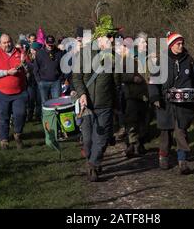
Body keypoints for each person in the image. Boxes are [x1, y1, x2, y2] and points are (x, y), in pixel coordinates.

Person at [72, 15, 121, 182]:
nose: (111, 40)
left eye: (113, 37)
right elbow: (77, 78)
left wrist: (116, 105)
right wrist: (82, 94)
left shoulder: (114, 57)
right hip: (87, 105)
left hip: (105, 104)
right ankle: (92, 160)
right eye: (108, 36)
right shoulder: (85, 54)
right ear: (99, 37)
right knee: (87, 140)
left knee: (101, 139)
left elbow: (116, 84)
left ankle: (93, 164)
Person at [148, 31, 194, 175]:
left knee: (181, 133)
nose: (181, 45)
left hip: (184, 105)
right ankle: (163, 156)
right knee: (165, 134)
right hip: (165, 104)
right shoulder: (161, 62)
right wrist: (155, 98)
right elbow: (153, 82)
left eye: (182, 43)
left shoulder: (190, 61)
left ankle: (182, 162)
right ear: (171, 45)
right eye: (178, 43)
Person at [0, 33, 28, 150]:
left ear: (12, 41)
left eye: (9, 42)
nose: (7, 44)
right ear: (0, 44)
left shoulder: (20, 52)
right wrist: (7, 72)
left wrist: (24, 63)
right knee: (4, 117)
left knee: (20, 114)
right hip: (2, 92)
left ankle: (17, 134)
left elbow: (29, 69)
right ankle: (4, 141)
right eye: (4, 43)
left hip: (19, 92)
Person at [122, 32, 150, 158]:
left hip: (146, 95)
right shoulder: (128, 58)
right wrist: (133, 78)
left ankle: (140, 144)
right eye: (143, 42)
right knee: (131, 120)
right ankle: (131, 145)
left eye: (146, 42)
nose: (146, 44)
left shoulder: (150, 57)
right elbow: (121, 75)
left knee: (144, 120)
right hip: (132, 95)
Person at [33, 35, 64, 103]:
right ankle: (46, 114)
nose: (50, 46)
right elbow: (36, 68)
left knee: (57, 103)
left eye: (51, 44)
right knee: (44, 103)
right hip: (43, 82)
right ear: (45, 43)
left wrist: (60, 78)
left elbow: (62, 67)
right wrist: (38, 80)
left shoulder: (59, 53)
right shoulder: (39, 53)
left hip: (56, 82)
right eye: (48, 44)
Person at [26, 42, 42, 122]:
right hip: (31, 82)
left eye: (34, 50)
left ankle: (38, 116)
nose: (32, 51)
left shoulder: (41, 57)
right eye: (31, 49)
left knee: (39, 100)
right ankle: (29, 116)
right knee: (31, 100)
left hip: (39, 82)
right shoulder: (28, 58)